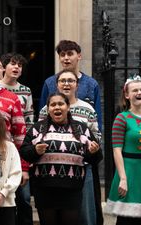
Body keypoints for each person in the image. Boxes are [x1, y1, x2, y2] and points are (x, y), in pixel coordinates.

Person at [20, 93, 99, 225]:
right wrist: (35, 151)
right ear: (48, 109)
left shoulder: (82, 129)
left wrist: (93, 152)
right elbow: (24, 152)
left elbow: (96, 158)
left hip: (72, 190)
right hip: (45, 190)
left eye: (61, 104)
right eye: (53, 104)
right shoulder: (37, 129)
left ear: (68, 107)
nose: (57, 107)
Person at [39, 69, 103, 225]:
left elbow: (96, 135)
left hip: (82, 167)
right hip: (52, 172)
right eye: (63, 81)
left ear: (77, 85)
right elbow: (38, 135)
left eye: (71, 81)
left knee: (85, 213)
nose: (66, 84)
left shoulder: (88, 109)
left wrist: (90, 150)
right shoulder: (45, 110)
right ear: (57, 84)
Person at [105, 76, 141, 225]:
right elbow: (117, 150)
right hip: (130, 171)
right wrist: (123, 179)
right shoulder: (122, 118)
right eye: (135, 90)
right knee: (128, 219)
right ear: (127, 95)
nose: (139, 92)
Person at [0, 52, 34, 225]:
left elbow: (29, 122)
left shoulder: (25, 91)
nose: (16, 67)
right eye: (12, 64)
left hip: (20, 149)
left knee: (24, 197)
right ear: (4, 67)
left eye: (19, 65)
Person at [39, 40, 102, 131]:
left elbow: (97, 118)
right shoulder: (49, 83)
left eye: (70, 54)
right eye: (62, 54)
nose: (66, 58)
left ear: (79, 56)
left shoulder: (91, 84)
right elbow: (43, 115)